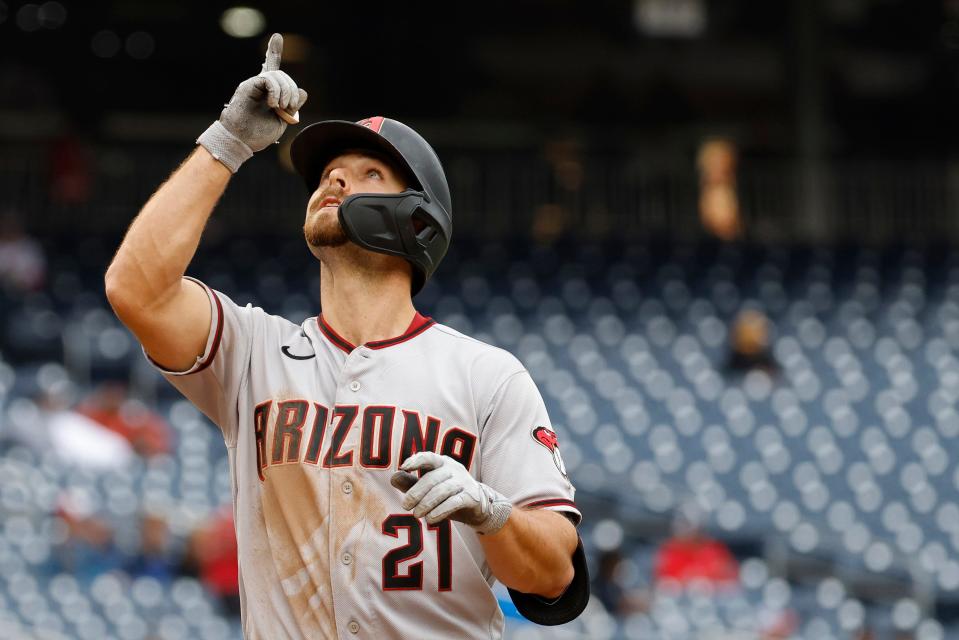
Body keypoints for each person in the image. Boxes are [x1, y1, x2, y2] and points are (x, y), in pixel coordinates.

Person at [104, 33, 588, 639]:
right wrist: (227, 144)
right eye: (327, 173)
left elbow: (553, 576)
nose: (333, 181)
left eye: (367, 173)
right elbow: (136, 289)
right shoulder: (254, 353)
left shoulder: (485, 375)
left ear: (418, 219)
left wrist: (493, 515)